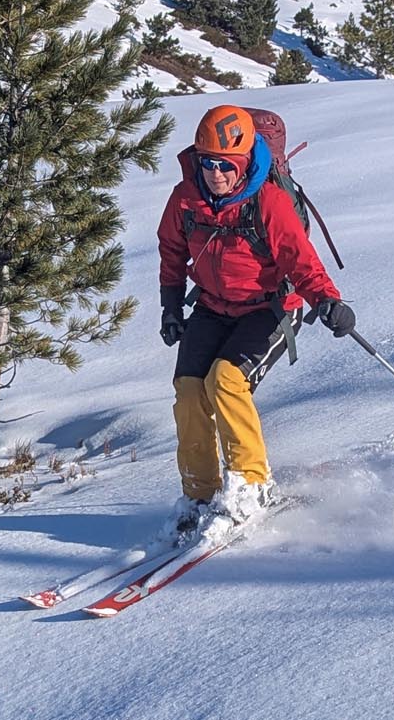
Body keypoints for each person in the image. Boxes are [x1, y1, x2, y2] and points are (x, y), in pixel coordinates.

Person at [157, 103, 352, 527]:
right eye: (208, 163)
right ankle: (199, 494)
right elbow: (171, 252)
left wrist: (327, 300)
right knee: (189, 391)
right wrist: (170, 307)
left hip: (270, 309)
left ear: (244, 160)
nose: (216, 174)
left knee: (226, 382)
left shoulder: (269, 202)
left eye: (226, 165)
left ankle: (251, 485)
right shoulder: (185, 200)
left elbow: (300, 260)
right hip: (213, 306)